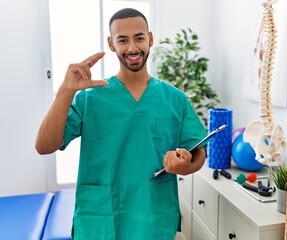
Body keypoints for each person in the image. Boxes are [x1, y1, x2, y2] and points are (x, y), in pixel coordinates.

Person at [35, 8, 207, 240]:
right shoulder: (90, 98)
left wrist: (184, 166)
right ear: (111, 43)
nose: (132, 48)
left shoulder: (174, 99)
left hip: (153, 217)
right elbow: (44, 146)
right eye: (122, 40)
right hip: (101, 220)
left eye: (139, 37)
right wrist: (66, 91)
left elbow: (197, 153)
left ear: (150, 39)